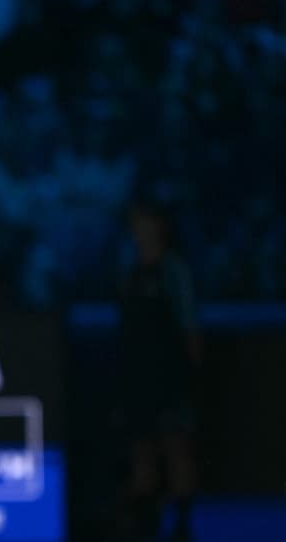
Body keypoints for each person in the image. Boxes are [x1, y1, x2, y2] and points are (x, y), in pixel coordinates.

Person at [115, 201, 202, 542]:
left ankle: (182, 527)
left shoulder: (174, 272)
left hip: (170, 378)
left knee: (177, 448)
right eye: (136, 223)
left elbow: (190, 329)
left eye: (146, 222)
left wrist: (189, 377)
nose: (141, 229)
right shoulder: (130, 273)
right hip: (138, 380)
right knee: (142, 452)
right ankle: (145, 526)